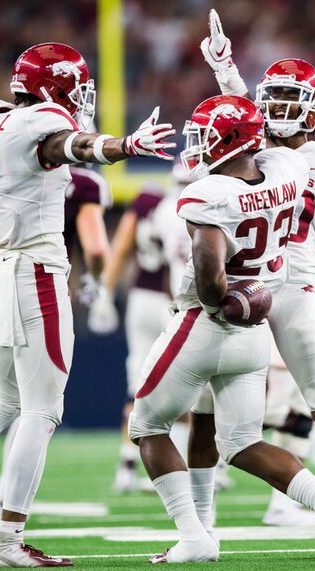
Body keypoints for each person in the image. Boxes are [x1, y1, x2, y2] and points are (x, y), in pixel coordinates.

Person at [0, 42, 174, 566]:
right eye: (75, 87)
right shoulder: (43, 124)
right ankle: (7, 542)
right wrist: (126, 144)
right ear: (55, 89)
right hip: (36, 272)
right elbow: (74, 147)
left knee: (2, 402)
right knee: (41, 410)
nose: (81, 96)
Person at [128, 94, 315, 563]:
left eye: (205, 136)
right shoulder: (288, 170)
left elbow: (209, 283)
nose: (196, 144)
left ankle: (194, 535)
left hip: (208, 323)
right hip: (255, 331)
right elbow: (275, 143)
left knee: (148, 425)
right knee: (243, 443)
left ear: (230, 141)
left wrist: (229, 300)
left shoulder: (208, 195)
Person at [189, 8, 315, 512]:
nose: (281, 106)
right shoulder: (249, 146)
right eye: (275, 97)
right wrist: (225, 69)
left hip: (297, 285)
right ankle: (200, 525)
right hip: (242, 278)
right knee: (204, 409)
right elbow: (235, 109)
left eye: (292, 97)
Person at [0, 164, 112, 518]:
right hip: (39, 286)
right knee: (33, 405)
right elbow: (97, 250)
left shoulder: (10, 159)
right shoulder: (82, 182)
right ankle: (2, 502)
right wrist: (94, 285)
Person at [93, 163, 194, 493]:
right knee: (182, 384)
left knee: (137, 384)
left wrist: (105, 293)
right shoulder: (182, 208)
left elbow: (121, 246)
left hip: (138, 299)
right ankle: (180, 465)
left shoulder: (151, 201)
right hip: (170, 301)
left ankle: (126, 465)